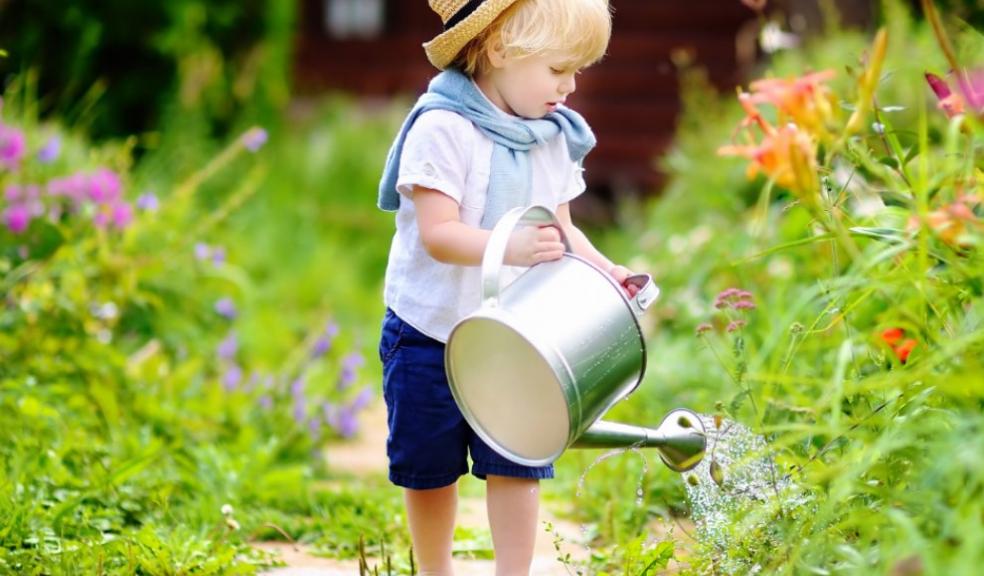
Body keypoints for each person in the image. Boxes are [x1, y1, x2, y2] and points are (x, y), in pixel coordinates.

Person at [376, 0, 637, 573]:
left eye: (577, 71)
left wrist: (608, 273)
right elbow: (440, 235)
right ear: (499, 51)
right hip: (430, 331)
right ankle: (435, 568)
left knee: (518, 459)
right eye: (558, 69)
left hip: (517, 337)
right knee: (430, 465)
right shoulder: (443, 127)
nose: (570, 87)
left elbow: (564, 232)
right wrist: (509, 245)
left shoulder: (549, 137)